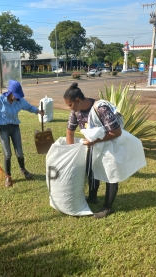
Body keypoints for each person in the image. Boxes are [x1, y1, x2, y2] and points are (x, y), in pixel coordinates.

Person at [64, 82, 122, 219]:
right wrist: (71, 152)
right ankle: (92, 197)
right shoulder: (75, 112)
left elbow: (117, 132)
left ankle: (107, 207)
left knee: (110, 174)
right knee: (91, 169)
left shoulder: (100, 109)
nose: (70, 108)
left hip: (109, 144)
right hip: (93, 144)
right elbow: (69, 132)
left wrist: (94, 141)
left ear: (77, 100)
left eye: (70, 104)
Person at [0, 80, 44, 188]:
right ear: (10, 92)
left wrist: (38, 111)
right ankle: (8, 176)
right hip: (3, 128)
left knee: (19, 153)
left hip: (15, 127)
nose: (17, 97)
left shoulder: (19, 100)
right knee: (7, 154)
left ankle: (23, 170)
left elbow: (29, 107)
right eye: (15, 95)